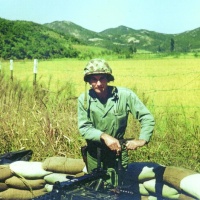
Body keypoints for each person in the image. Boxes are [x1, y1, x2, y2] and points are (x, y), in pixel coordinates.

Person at [78, 58, 155, 186]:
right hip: (94, 155)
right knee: (94, 192)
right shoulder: (84, 100)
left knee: (117, 191)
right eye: (94, 79)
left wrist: (142, 139)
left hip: (116, 156)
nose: (98, 83)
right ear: (89, 81)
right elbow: (84, 128)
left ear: (108, 79)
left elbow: (146, 117)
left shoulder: (124, 95)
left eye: (102, 78)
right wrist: (104, 136)